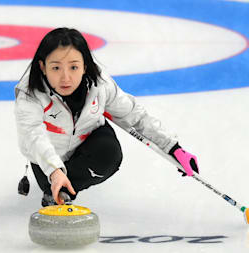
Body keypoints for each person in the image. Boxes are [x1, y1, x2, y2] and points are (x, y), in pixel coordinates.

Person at [14, 28, 200, 206]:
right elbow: (33, 136)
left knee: (108, 153)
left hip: (87, 141)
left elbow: (133, 114)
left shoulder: (100, 85)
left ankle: (65, 188)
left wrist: (173, 147)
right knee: (50, 174)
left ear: (85, 66)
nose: (66, 77)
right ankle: (55, 188)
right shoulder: (30, 94)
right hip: (49, 154)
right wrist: (54, 170)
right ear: (43, 67)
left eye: (73, 67)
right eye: (56, 68)